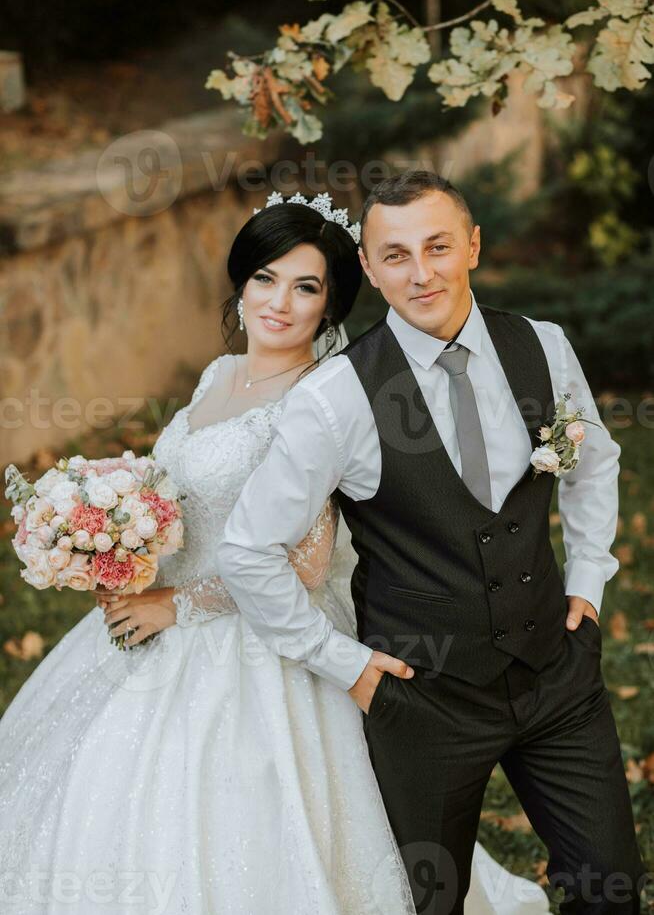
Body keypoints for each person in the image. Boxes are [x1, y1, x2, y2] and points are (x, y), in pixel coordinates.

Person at [0, 193, 549, 914]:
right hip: (150, 615)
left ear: (331, 305)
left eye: (307, 286)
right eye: (265, 277)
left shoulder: (320, 401)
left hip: (251, 640)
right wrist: (116, 544)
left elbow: (308, 565)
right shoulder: (217, 376)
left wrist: (177, 606)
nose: (280, 302)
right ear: (241, 282)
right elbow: (184, 500)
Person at [217, 173, 646, 915]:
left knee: (611, 886)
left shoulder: (542, 347)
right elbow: (248, 549)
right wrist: (345, 667)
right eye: (396, 255)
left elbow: (595, 459)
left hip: (556, 674)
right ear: (371, 267)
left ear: (472, 246)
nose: (422, 273)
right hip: (422, 699)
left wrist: (588, 582)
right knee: (426, 904)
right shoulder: (337, 397)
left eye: (439, 246)